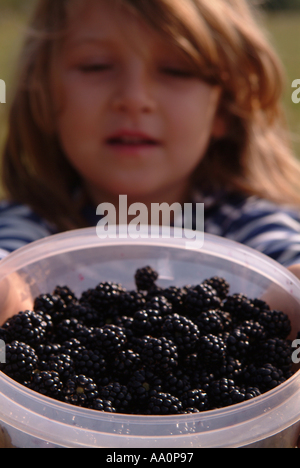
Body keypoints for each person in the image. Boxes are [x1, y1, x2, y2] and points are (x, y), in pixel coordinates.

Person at [1, 0, 300, 279]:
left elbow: (288, 261)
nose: (134, 99)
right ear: (44, 96)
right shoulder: (29, 227)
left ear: (224, 109)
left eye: (176, 70)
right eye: (96, 65)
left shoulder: (252, 228)